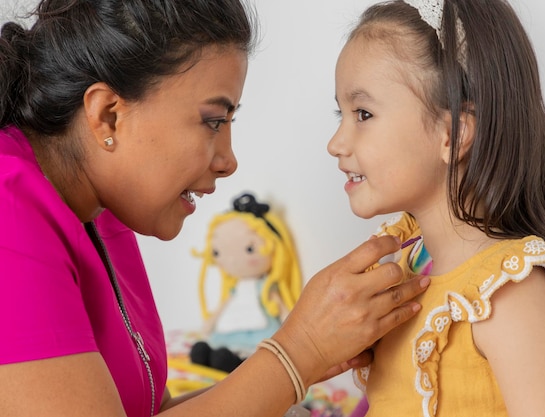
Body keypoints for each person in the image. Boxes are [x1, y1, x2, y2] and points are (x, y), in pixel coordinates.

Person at [0, 1, 431, 416]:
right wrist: (300, 351)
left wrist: (309, 358)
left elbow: (147, 408)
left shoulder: (102, 213)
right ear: (108, 115)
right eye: (213, 121)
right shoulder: (9, 214)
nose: (228, 161)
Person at [327, 1, 545, 416]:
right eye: (340, 113)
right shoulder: (405, 265)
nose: (336, 143)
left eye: (362, 114)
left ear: (452, 134)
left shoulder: (509, 292)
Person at [190, 192, 302, 372]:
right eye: (218, 253)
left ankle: (236, 363)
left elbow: (283, 311)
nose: (233, 261)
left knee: (248, 356)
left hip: (258, 334)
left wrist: (292, 330)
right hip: (227, 333)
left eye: (250, 249)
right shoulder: (234, 288)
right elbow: (222, 306)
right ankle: (212, 356)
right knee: (205, 350)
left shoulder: (265, 287)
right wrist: (209, 323)